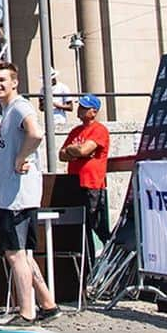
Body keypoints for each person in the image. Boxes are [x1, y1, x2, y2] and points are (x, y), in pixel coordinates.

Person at [0, 61, 53, 326]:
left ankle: (27, 311)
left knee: (15, 254)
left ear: (15, 82)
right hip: (9, 193)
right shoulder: (6, 112)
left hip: (18, 195)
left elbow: (36, 133)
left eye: (3, 80)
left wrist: (21, 157)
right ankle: (47, 303)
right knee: (23, 253)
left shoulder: (19, 108)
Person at [59, 94, 111, 259]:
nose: (80, 110)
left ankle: (104, 257)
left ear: (94, 111)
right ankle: (87, 260)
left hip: (92, 184)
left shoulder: (99, 130)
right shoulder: (75, 131)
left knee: (95, 224)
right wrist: (76, 150)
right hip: (74, 183)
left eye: (84, 107)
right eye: (80, 106)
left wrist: (75, 150)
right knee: (79, 226)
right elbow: (62, 154)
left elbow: (84, 150)